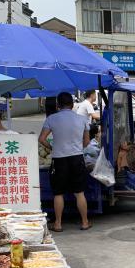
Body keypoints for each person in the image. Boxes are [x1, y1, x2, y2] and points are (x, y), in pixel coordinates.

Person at [39, 92, 91, 232]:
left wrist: (52, 148)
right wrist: (78, 148)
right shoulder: (82, 119)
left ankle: (58, 224)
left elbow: (42, 139)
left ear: (58, 105)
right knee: (79, 192)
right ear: (73, 104)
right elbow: (86, 141)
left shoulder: (52, 119)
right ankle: (85, 222)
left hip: (59, 159)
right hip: (77, 158)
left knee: (58, 193)